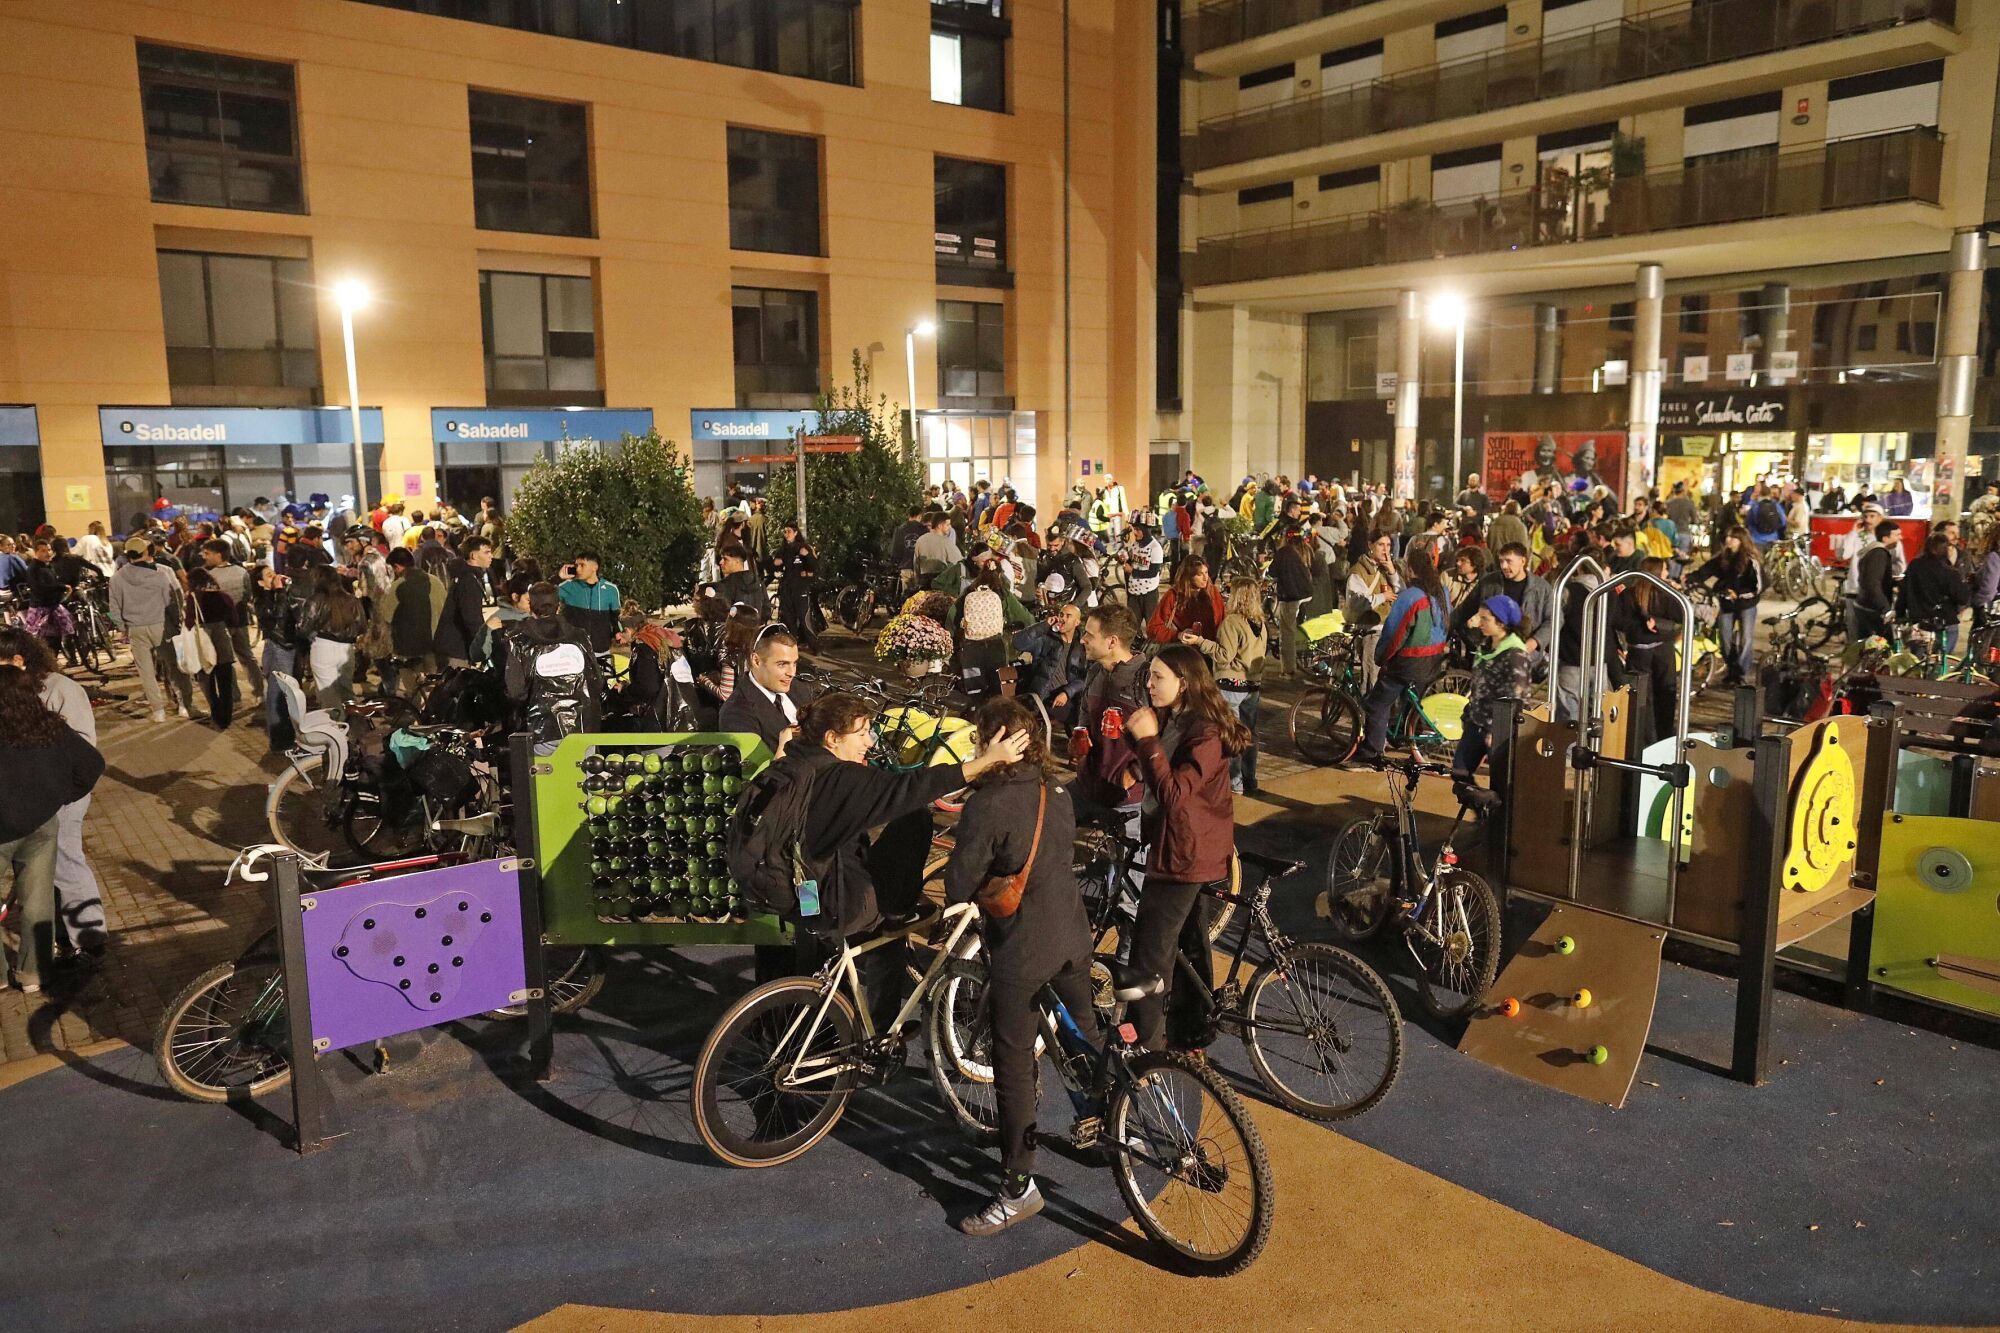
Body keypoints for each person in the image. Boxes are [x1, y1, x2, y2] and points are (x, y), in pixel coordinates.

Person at [946, 697, 1097, 1236]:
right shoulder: (1054, 790)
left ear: (996, 743)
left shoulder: (987, 805)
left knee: (1013, 1065)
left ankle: (1017, 1186)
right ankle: (1104, 1119)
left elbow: (960, 879)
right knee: (1085, 1037)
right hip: (1071, 934)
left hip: (1021, 949)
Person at [1122, 644, 1249, 1051]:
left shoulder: (1206, 730)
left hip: (1184, 856)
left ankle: (1145, 1048)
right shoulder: (1178, 719)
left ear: (1185, 683)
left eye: (1158, 677)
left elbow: (1175, 792)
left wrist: (1147, 743)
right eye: (1149, 675)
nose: (1149, 683)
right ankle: (1192, 1033)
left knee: (1150, 954)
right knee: (1190, 946)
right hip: (1188, 849)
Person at [0, 652, 104, 993]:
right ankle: (34, 973)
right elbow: (89, 766)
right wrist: (60, 796)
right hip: (41, 824)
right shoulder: (48, 727)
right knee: (38, 900)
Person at [1349, 544, 1451, 769]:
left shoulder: (1410, 597)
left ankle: (1372, 752)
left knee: (1377, 703)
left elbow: (1395, 632)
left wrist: (1381, 657)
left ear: (1411, 571)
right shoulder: (1442, 592)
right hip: (1433, 658)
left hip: (1410, 660)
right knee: (1413, 701)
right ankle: (1410, 736)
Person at [1186, 576, 1267, 796]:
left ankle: (1235, 783)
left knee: (1231, 734)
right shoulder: (1260, 623)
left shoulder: (1232, 622)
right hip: (1252, 685)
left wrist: (1199, 642)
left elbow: (1224, 656)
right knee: (1249, 733)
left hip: (1231, 685)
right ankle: (1250, 779)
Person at [503, 582, 603, 748]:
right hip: (582, 727)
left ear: (530, 606)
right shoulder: (579, 636)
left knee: (545, 773)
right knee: (580, 773)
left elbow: (515, 691)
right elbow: (596, 682)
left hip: (541, 729)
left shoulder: (519, 639)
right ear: (558, 606)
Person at [109, 536, 192, 722]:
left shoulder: (117, 578)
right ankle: (183, 705)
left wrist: (122, 628)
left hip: (136, 628)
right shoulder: (163, 572)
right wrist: (178, 622)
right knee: (175, 666)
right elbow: (173, 600)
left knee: (146, 671)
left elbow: (113, 609)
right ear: (146, 552)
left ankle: (158, 711)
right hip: (162, 625)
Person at [1451, 594, 1528, 786]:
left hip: (1499, 730)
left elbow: (1516, 696)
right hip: (1476, 723)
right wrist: (1468, 715)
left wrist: (1498, 730)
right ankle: (1481, 812)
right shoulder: (1485, 647)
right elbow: (1478, 686)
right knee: (1459, 773)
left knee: (1501, 786)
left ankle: (1493, 815)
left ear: (1501, 623)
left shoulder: (1514, 654)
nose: (1480, 623)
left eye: (1485, 619)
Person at [1613, 556, 1681, 740]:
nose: (1667, 573)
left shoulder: (1628, 594)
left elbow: (1618, 621)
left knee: (1641, 699)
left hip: (1638, 651)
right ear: (1657, 572)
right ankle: (1664, 739)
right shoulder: (1666, 594)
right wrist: (1654, 625)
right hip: (1662, 650)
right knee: (1664, 698)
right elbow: (1681, 617)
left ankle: (1643, 741)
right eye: (1665, 569)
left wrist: (1642, 626)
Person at [1689, 526, 1765, 683]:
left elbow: (1758, 586)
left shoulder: (1751, 560)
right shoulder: (1723, 558)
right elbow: (1705, 571)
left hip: (1746, 604)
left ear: (1741, 541)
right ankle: (1732, 669)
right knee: (1724, 638)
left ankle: (1741, 673)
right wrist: (1689, 578)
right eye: (1728, 536)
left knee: (1746, 639)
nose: (1728, 540)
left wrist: (1740, 595)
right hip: (1726, 603)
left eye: (1733, 537)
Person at [717, 624, 806, 755]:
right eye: (782, 664)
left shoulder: (800, 689)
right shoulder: (736, 714)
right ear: (756, 661)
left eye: (794, 663)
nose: (791, 673)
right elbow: (760, 774)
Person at [1013, 601, 1088, 730]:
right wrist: (1044, 625)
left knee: (1090, 713)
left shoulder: (1081, 646)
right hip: (1044, 697)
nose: (1062, 618)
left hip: (1068, 697)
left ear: (1077, 622)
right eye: (1061, 614)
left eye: (1068, 616)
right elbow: (1018, 643)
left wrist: (1067, 692)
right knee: (1082, 718)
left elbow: (1084, 677)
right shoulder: (1046, 640)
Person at [299, 565, 365, 710]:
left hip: (323, 647)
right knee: (346, 691)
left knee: (328, 694)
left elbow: (303, 627)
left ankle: (335, 728)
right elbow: (362, 626)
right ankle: (353, 726)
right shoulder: (351, 599)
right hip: (347, 649)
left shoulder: (315, 600)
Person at [1899, 532, 1971, 654]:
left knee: (1918, 664)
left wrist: (1900, 614)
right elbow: (1962, 598)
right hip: (1944, 623)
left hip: (1919, 623)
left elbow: (1903, 592)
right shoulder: (1950, 572)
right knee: (1941, 663)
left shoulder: (1914, 566)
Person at [187, 566, 240, 727]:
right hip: (222, 639)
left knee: (206, 680)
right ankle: (226, 718)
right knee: (225, 681)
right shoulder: (223, 596)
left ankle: (216, 713)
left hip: (204, 642)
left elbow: (189, 622)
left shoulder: (194, 598)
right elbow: (234, 620)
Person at [434, 535, 498, 668]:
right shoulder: (468, 581)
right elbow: (472, 619)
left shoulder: (469, 576)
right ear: (473, 556)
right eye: (486, 552)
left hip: (453, 647)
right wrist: (482, 648)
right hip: (455, 650)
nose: (491, 556)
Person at [1268, 527, 1313, 680]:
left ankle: (1288, 669)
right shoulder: (1305, 551)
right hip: (1306, 594)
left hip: (1291, 596)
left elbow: (1272, 571)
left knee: (1286, 633)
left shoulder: (1284, 552)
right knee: (1297, 629)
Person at [1147, 556, 1224, 645]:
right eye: (1199, 574)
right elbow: (1153, 628)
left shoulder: (1212, 592)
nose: (1205, 578)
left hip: (1210, 648)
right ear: (1189, 576)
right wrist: (1177, 635)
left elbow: (1222, 622)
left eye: (1206, 572)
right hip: (1185, 651)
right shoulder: (1174, 595)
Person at [557, 551, 623, 654]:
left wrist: (618, 632)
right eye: (576, 565)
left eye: (582, 565)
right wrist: (558, 578)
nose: (578, 569)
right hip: (573, 651)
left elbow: (615, 618)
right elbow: (543, 596)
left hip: (601, 650)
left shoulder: (611, 590)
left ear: (594, 567)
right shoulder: (568, 586)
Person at [770, 522, 818, 649]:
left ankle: (814, 645)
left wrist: (807, 556)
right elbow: (776, 563)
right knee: (788, 618)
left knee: (804, 618)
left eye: (789, 531)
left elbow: (814, 566)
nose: (786, 535)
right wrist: (776, 563)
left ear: (796, 533)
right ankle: (792, 645)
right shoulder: (784, 549)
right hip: (787, 588)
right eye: (785, 532)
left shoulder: (803, 548)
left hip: (800, 588)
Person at [1121, 514, 1164, 628]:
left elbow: (1153, 573)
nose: (1135, 532)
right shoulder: (1135, 544)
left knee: (1152, 626)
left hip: (1148, 595)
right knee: (1131, 626)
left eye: (1138, 530)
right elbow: (1131, 561)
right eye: (1134, 529)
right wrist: (1124, 559)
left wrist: (1132, 571)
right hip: (1133, 593)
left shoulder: (1155, 548)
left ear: (1146, 530)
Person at [913, 512, 961, 588]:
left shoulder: (920, 540)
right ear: (940, 526)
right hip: (941, 584)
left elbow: (916, 564)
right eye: (947, 525)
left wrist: (917, 582)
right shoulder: (947, 543)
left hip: (923, 584)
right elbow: (959, 563)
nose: (950, 527)